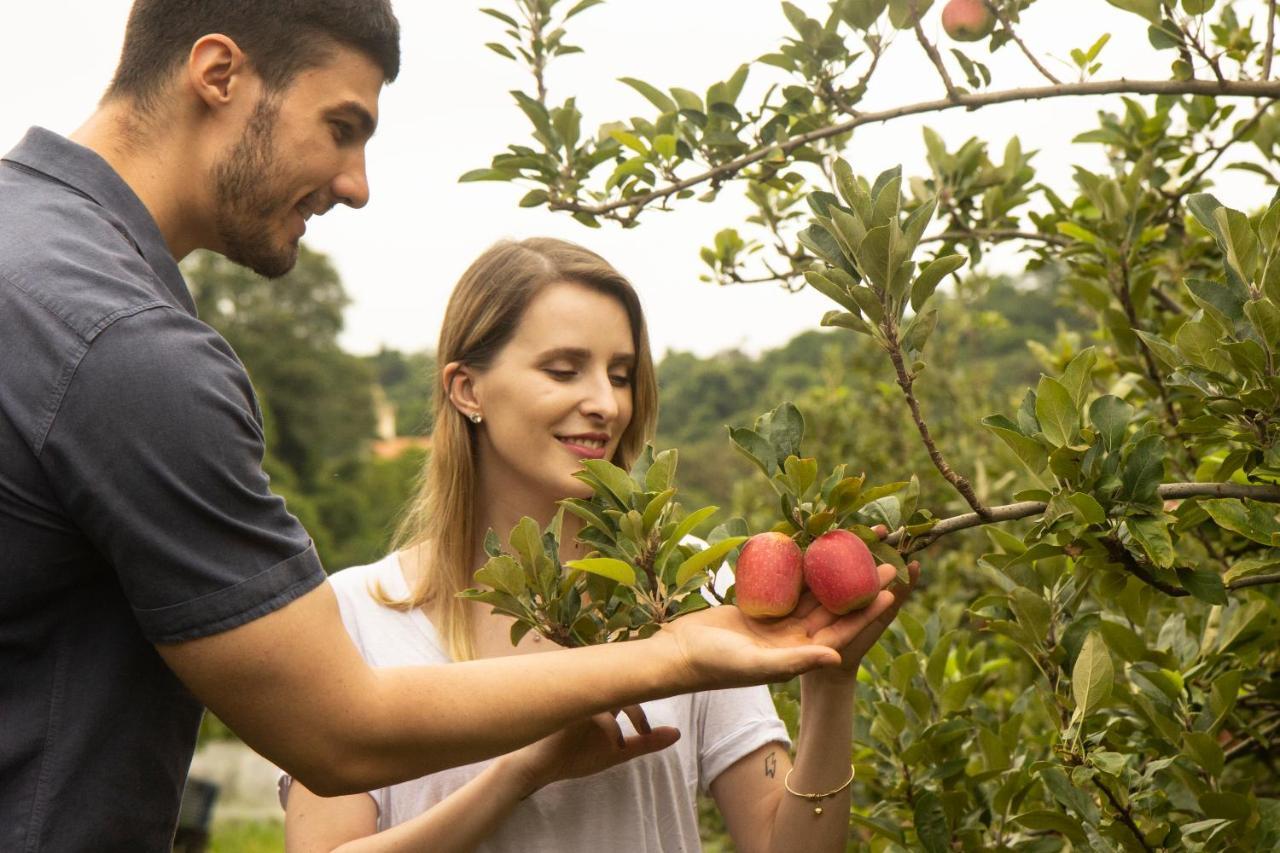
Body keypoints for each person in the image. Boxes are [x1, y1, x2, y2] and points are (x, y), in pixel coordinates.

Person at [0, 4, 905, 850]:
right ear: (218, 73)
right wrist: (665, 656)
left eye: (622, 374)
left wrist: (819, 682)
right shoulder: (123, 345)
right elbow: (339, 726)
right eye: (342, 127)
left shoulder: (30, 258)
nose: (355, 185)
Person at [281, 238, 919, 852]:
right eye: (564, 371)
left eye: (621, 375)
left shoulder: (686, 587)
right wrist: (519, 775)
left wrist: (833, 683)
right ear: (467, 389)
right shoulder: (355, 613)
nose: (606, 403)